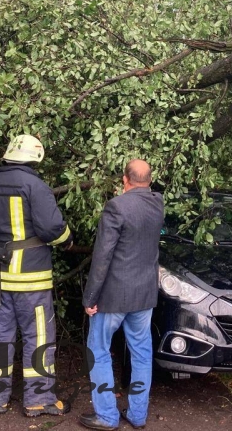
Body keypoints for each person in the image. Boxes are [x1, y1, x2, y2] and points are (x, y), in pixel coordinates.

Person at [0, 134, 74, 417]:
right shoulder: (35, 186)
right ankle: (38, 400)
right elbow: (52, 229)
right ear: (35, 158)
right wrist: (67, 240)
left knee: (0, 336)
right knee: (38, 337)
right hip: (31, 277)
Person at [78, 159, 164, 431]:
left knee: (99, 351)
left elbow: (102, 257)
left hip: (113, 296)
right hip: (144, 295)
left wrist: (90, 297)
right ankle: (137, 415)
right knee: (141, 353)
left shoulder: (117, 206)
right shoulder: (158, 204)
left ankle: (106, 416)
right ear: (149, 180)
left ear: (125, 180)